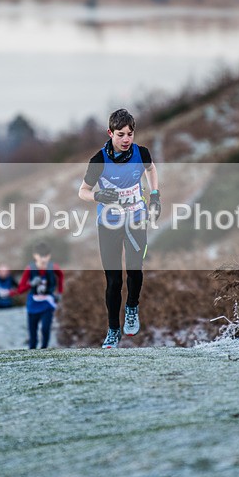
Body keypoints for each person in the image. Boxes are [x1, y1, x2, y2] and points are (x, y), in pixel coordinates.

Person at [78, 108, 160, 349]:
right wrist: (97, 196)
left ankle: (132, 307)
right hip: (109, 224)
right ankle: (113, 330)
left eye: (130, 134)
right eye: (121, 134)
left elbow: (151, 169)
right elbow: (82, 191)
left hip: (136, 218)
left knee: (134, 269)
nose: (126, 139)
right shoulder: (98, 161)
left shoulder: (141, 153)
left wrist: (155, 195)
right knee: (113, 281)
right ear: (110, 133)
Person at [14, 242, 64, 349]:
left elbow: (61, 276)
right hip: (33, 304)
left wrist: (59, 292)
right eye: (41, 256)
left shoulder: (53, 267)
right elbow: (20, 290)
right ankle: (32, 351)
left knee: (45, 328)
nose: (43, 259)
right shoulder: (30, 268)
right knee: (33, 333)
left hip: (48, 302)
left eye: (46, 256)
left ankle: (44, 349)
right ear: (35, 256)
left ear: (49, 256)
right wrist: (31, 284)